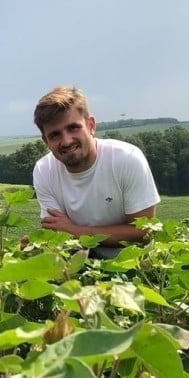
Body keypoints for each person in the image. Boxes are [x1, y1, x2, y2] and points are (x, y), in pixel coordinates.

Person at [31, 86, 160, 259]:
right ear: (45, 141)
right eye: (55, 135)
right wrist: (37, 246)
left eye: (73, 128)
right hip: (80, 264)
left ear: (91, 125)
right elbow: (57, 233)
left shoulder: (126, 159)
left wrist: (76, 232)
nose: (66, 141)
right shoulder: (43, 170)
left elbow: (144, 233)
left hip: (134, 266)